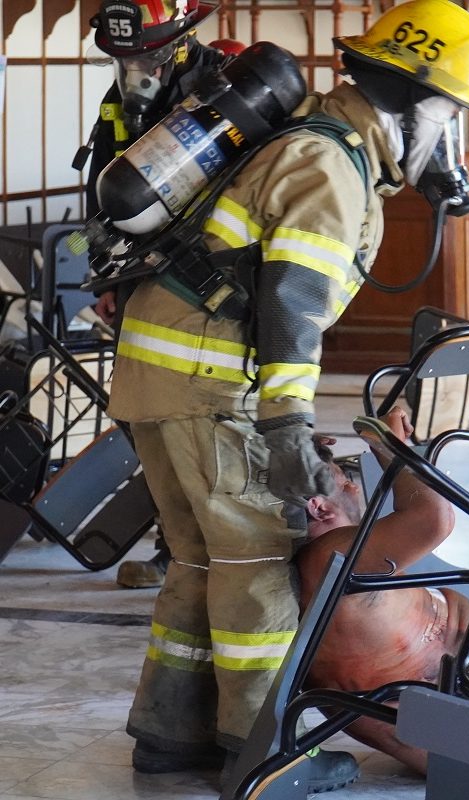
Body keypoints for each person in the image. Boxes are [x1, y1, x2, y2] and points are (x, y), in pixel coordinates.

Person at [101, 0, 469, 789]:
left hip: (158, 375)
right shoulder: (330, 164)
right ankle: (261, 752)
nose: (447, 136)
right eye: (449, 114)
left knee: (201, 561)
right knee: (257, 566)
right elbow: (291, 305)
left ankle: (171, 733)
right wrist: (289, 423)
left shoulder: (314, 142)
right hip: (209, 383)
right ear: (411, 100)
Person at [80, 0, 232, 590]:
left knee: (205, 418)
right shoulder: (118, 101)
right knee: (150, 419)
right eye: (124, 57)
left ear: (180, 39)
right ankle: (175, 548)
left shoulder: (226, 85)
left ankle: (224, 549)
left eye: (145, 52)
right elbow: (102, 187)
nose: (135, 67)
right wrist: (102, 275)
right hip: (141, 281)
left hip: (211, 284)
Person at [297, 406, 462, 775]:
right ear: (319, 507)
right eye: (343, 482)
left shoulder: (337, 561)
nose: (355, 487)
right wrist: (386, 444)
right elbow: (434, 519)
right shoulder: (330, 559)